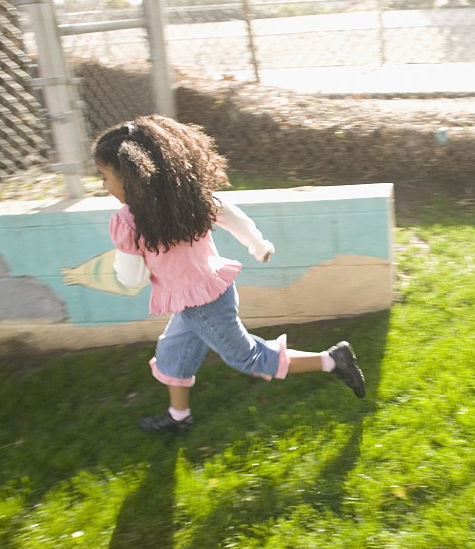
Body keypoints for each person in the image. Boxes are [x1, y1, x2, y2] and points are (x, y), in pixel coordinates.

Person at [93, 115, 366, 433]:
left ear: (130, 176)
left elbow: (131, 279)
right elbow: (229, 213)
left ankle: (333, 360)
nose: (104, 185)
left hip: (203, 305)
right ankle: (179, 418)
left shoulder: (131, 222)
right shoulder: (183, 195)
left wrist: (127, 261)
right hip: (206, 291)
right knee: (173, 351)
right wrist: (256, 242)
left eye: (104, 177)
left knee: (249, 357)